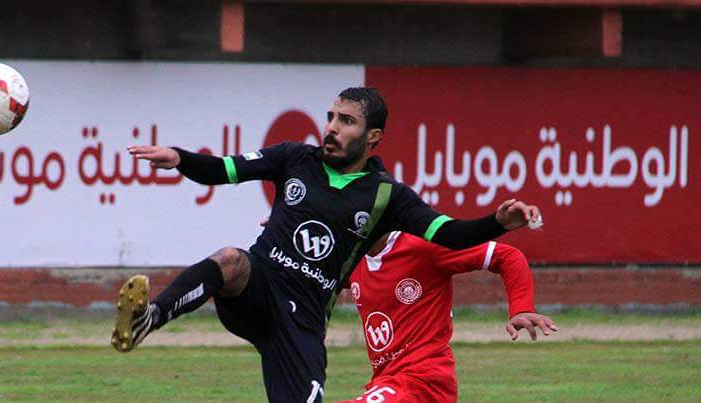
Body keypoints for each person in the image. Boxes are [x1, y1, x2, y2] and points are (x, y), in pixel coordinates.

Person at [111, 87, 541, 402]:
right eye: (331, 117)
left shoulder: (386, 196)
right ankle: (151, 317)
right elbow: (226, 168)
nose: (332, 128)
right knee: (230, 260)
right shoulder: (294, 158)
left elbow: (448, 233)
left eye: (346, 121)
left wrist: (497, 223)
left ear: (372, 137)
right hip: (259, 288)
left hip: (302, 321)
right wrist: (181, 159)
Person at [340, 233, 557, 403]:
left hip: (425, 383)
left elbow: (506, 256)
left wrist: (521, 308)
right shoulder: (353, 259)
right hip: (388, 384)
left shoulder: (424, 245)